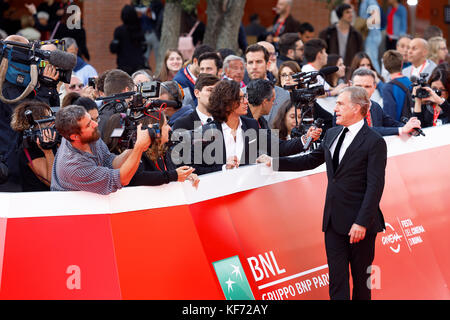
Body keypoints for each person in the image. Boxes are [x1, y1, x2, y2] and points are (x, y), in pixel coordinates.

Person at [258, 86, 387, 300]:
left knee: (362, 283)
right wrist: (275, 163)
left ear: (356, 108)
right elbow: (310, 160)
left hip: (360, 223)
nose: (334, 108)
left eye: (340, 104)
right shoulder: (333, 134)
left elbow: (375, 186)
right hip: (334, 221)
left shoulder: (374, 142)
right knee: (337, 281)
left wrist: (362, 222)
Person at [0, 35, 59, 192]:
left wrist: (50, 88)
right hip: (10, 172)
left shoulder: (29, 87)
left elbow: (52, 113)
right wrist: (45, 89)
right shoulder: (7, 90)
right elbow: (28, 118)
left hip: (23, 165)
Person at [51, 105, 151, 195]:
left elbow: (110, 162)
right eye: (88, 125)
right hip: (73, 211)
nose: (95, 124)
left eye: (92, 120)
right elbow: (121, 179)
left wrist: (133, 149)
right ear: (75, 137)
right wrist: (139, 148)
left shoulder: (88, 136)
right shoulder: (73, 166)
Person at [103, 109, 199, 188]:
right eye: (166, 124)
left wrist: (186, 176)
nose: (170, 128)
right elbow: (137, 178)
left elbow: (171, 174)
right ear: (156, 130)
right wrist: (173, 176)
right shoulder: (138, 152)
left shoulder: (165, 151)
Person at [350, 67, 421, 136]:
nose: (363, 90)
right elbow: (365, 131)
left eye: (367, 86)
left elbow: (391, 123)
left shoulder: (375, 106)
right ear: (351, 85)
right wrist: (402, 130)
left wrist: (410, 127)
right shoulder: (344, 107)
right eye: (358, 86)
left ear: (374, 87)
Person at [10, 100, 58, 191]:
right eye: (48, 117)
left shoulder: (50, 139)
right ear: (37, 123)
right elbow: (52, 181)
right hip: (37, 200)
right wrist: (48, 151)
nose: (52, 121)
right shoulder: (28, 148)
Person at [244, 44, 290, 126]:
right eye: (250, 62)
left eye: (258, 62)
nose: (254, 67)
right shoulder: (239, 95)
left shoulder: (284, 95)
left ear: (268, 64)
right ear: (246, 66)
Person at [319, 3, 363, 68]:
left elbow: (359, 54)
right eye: (347, 12)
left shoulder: (356, 34)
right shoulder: (328, 33)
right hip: (332, 68)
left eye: (352, 12)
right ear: (340, 14)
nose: (351, 15)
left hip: (349, 69)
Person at [110, 5, 146, 75]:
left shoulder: (119, 30)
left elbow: (113, 49)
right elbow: (144, 48)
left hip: (124, 66)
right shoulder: (139, 29)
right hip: (139, 66)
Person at [382, 50, 413, 121]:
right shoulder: (410, 82)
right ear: (402, 64)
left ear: (385, 67)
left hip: (399, 128)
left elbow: (389, 115)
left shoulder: (388, 88)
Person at [358, 0, 382, 73]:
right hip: (369, 35)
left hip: (372, 35)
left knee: (372, 60)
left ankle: (377, 79)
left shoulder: (370, 1)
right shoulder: (365, 2)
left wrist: (362, 23)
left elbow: (375, 18)